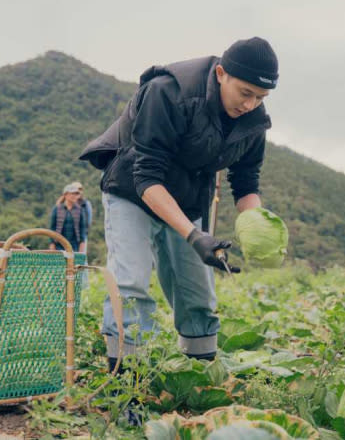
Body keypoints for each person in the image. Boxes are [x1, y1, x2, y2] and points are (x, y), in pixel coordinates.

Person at [79, 37, 279, 368]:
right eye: (245, 93)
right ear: (220, 73)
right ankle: (126, 382)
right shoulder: (169, 92)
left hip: (187, 197)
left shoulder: (253, 120)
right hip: (133, 189)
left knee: (198, 294)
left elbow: (246, 182)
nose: (250, 104)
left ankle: (198, 374)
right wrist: (194, 235)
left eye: (261, 97)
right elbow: (147, 178)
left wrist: (258, 231)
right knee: (131, 282)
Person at [48, 182, 88, 253]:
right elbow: (52, 229)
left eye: (76, 194)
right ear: (65, 195)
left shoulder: (80, 210)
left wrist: (81, 250)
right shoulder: (57, 209)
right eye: (72, 194)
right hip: (59, 245)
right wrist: (52, 246)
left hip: (75, 246)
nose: (74, 196)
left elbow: (82, 231)